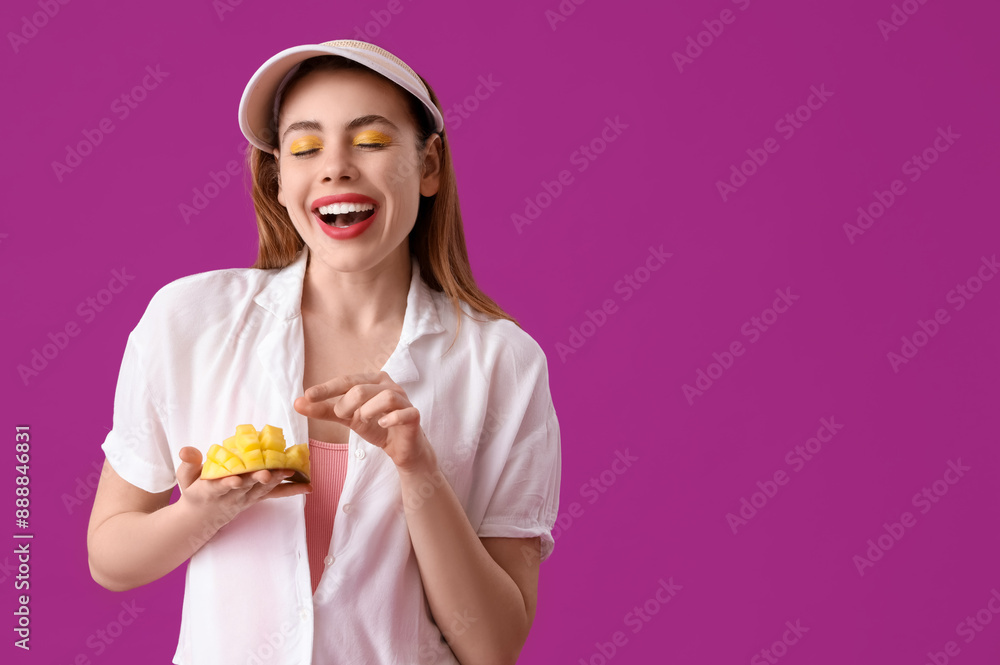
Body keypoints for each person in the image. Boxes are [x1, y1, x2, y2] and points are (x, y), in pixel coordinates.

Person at [86, 39, 562, 665]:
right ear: (279, 179)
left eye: (370, 141)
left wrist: (419, 470)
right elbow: (111, 560)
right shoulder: (187, 321)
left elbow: (494, 645)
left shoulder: (504, 363)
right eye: (306, 148)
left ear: (429, 167)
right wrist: (201, 510)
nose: (335, 167)